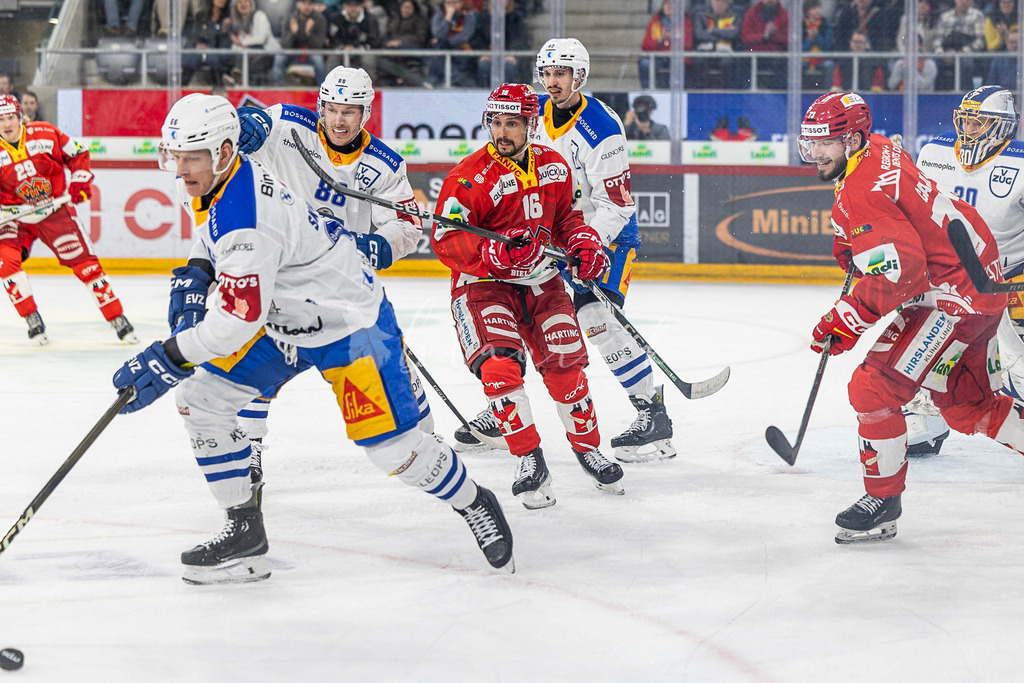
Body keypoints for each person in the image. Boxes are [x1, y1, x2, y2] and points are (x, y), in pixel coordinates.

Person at [111, 93, 513, 584]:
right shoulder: (224, 177)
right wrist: (198, 268)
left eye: (192, 156)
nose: (181, 169)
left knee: (393, 452)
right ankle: (245, 533)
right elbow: (215, 236)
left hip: (349, 325)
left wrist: (167, 356)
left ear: (222, 151)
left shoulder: (246, 218)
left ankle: (475, 501)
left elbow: (236, 321)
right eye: (176, 156)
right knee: (201, 401)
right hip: (285, 319)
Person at [799, 91, 1024, 544]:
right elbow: (901, 217)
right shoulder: (879, 148)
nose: (817, 152)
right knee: (967, 406)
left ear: (854, 139)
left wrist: (844, 319)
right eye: (811, 142)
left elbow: (902, 274)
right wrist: (855, 242)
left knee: (873, 386)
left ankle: (882, 502)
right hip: (980, 282)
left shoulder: (860, 190)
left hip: (951, 298)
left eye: (827, 142)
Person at [453, 40, 676, 465]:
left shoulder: (602, 127)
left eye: (563, 74)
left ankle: (653, 415)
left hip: (604, 236)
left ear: (580, 76)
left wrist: (586, 240)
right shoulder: (530, 112)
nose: (553, 82)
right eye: (548, 73)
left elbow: (618, 204)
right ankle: (505, 410)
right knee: (517, 311)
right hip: (549, 236)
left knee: (594, 316)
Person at [230, 66, 431, 492]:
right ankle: (249, 449)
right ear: (320, 106)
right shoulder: (286, 124)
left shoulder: (385, 164)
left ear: (366, 113)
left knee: (388, 364)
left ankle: (425, 441)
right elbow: (251, 127)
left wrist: (378, 246)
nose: (339, 120)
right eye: (332, 109)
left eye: (350, 112)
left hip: (345, 283)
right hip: (285, 276)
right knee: (258, 358)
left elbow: (406, 226)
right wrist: (244, 125)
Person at [431, 83, 625, 509]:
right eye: (496, 123)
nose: (502, 132)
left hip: (542, 284)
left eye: (512, 123)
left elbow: (568, 220)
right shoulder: (467, 177)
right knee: (500, 368)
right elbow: (445, 240)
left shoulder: (555, 165)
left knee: (566, 367)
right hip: (484, 285)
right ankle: (528, 458)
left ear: (530, 124)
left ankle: (588, 449)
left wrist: (584, 243)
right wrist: (492, 251)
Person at [900, 86, 1024, 456]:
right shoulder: (934, 153)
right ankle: (927, 418)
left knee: (1016, 360)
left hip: (1009, 278)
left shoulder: (1020, 164)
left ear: (1002, 126)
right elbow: (915, 209)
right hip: (947, 278)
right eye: (965, 120)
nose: (969, 128)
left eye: (978, 121)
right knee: (923, 347)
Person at [0, 94, 137, 345]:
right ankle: (32, 318)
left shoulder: (46, 133)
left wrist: (80, 179)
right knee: (6, 264)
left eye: (10, 117)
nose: (7, 124)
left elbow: (77, 153)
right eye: (0, 119)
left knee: (87, 266)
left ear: (20, 117)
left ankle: (117, 317)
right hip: (14, 219)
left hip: (54, 214)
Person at [639, 0, 693, 90]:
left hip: (677, 58)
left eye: (672, 4)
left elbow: (689, 45)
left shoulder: (685, 22)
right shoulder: (655, 21)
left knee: (679, 66)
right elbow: (645, 46)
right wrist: (659, 40)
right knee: (645, 64)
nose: (669, 6)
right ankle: (647, 91)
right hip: (659, 57)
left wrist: (674, 38)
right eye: (667, 3)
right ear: (662, 6)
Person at [271, 0, 328, 85]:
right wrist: (293, 33)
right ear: (298, 4)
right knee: (279, 58)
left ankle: (322, 89)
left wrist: (308, 34)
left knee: (318, 60)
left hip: (311, 52)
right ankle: (278, 88)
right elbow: (284, 44)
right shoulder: (289, 18)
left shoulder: (320, 19)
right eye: (304, 3)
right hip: (292, 52)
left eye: (310, 4)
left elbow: (318, 45)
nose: (307, 7)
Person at [933, 0, 986, 91]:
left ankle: (965, 94)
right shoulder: (945, 16)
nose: (964, 2)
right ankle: (938, 93)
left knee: (966, 62)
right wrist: (941, 53)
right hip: (947, 51)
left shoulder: (977, 15)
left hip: (967, 52)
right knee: (933, 62)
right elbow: (937, 39)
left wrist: (961, 52)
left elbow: (980, 41)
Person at [378, 0, 431, 86]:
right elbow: (385, 37)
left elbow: (420, 38)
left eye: (408, 8)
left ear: (414, 9)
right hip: (392, 57)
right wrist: (388, 43)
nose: (406, 10)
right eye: (404, 7)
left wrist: (401, 42)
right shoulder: (394, 21)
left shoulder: (420, 21)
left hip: (411, 55)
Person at [693, 0, 743, 90]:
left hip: (726, 50)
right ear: (711, 2)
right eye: (717, 1)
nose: (720, 4)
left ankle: (728, 93)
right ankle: (701, 92)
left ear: (728, 3)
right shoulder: (701, 15)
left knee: (728, 63)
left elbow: (733, 34)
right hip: (705, 49)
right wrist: (722, 36)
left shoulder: (735, 16)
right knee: (698, 61)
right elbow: (699, 34)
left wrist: (713, 31)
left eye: (723, 2)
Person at [229, 0, 280, 85]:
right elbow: (238, 44)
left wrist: (242, 42)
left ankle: (239, 82)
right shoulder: (238, 22)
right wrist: (235, 46)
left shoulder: (259, 16)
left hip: (268, 53)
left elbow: (261, 39)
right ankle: (238, 80)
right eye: (239, 2)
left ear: (251, 4)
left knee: (252, 62)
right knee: (236, 57)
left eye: (246, 1)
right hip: (250, 55)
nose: (243, 4)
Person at [428, 0, 478, 87]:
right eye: (448, 3)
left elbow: (465, 36)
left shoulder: (468, 16)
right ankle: (437, 82)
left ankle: (453, 79)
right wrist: (448, 18)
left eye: (455, 2)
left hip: (461, 48)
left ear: (461, 3)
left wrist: (446, 41)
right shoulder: (439, 15)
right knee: (437, 52)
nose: (452, 6)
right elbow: (437, 34)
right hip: (442, 48)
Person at [740, 0, 788, 89]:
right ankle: (744, 93)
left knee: (784, 64)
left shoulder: (785, 15)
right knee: (741, 62)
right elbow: (745, 37)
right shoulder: (751, 13)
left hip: (777, 56)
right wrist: (763, 37)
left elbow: (789, 39)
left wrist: (774, 35)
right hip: (755, 54)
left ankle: (779, 95)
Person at [327, 0, 383, 74]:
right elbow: (332, 38)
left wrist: (357, 47)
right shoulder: (336, 18)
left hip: (364, 50)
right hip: (342, 49)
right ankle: (331, 83)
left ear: (362, 5)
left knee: (368, 59)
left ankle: (370, 83)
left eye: (356, 5)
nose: (353, 9)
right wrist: (343, 47)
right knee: (333, 58)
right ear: (344, 6)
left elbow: (374, 40)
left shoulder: (371, 19)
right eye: (350, 5)